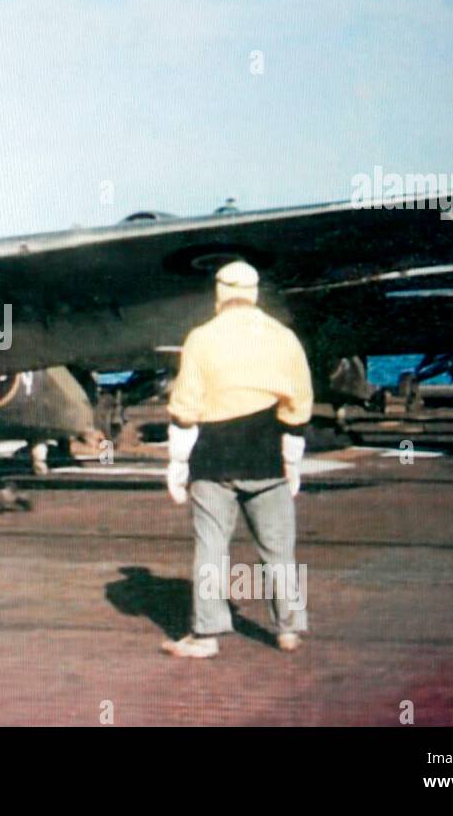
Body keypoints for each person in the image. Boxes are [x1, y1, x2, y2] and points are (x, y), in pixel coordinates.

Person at [162, 260, 314, 659]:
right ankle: (288, 629)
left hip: (214, 459)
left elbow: (184, 408)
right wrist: (292, 461)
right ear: (255, 293)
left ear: (219, 293)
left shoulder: (200, 338)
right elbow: (299, 405)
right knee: (279, 548)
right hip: (267, 455)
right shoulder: (283, 337)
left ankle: (206, 635)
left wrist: (177, 465)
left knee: (211, 548)